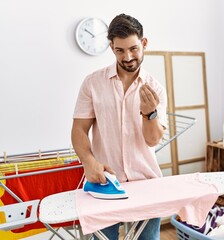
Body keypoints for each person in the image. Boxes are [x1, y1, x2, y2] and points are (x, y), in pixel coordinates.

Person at [71, 13, 167, 240]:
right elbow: (79, 130)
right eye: (120, 50)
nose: (128, 57)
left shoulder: (155, 88)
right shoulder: (93, 83)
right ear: (111, 47)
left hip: (146, 184)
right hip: (105, 182)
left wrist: (150, 113)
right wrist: (89, 162)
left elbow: (153, 140)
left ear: (144, 43)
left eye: (133, 48)